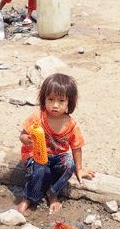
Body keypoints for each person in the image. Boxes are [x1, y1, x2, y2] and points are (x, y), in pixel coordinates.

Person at [16, 73, 94, 214]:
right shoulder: (37, 117)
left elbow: (77, 148)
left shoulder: (71, 125)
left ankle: (53, 193)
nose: (55, 105)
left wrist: (80, 169)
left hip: (56, 156)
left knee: (69, 164)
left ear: (69, 103)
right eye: (50, 99)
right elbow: (23, 135)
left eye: (61, 101)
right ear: (44, 99)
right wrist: (27, 140)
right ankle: (28, 198)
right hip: (36, 155)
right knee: (39, 168)